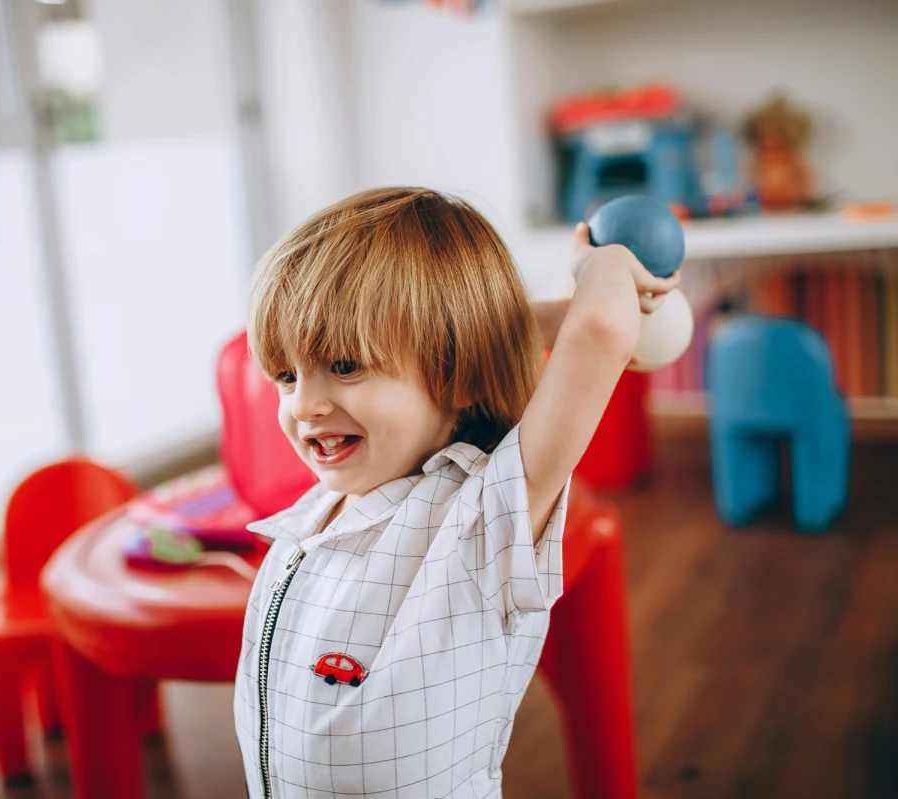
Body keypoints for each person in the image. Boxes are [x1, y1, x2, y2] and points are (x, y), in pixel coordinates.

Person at [233, 187, 680, 798]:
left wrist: (600, 265)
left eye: (343, 366)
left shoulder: (479, 519)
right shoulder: (310, 520)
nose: (304, 405)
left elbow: (600, 329)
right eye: (287, 375)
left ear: (458, 372)